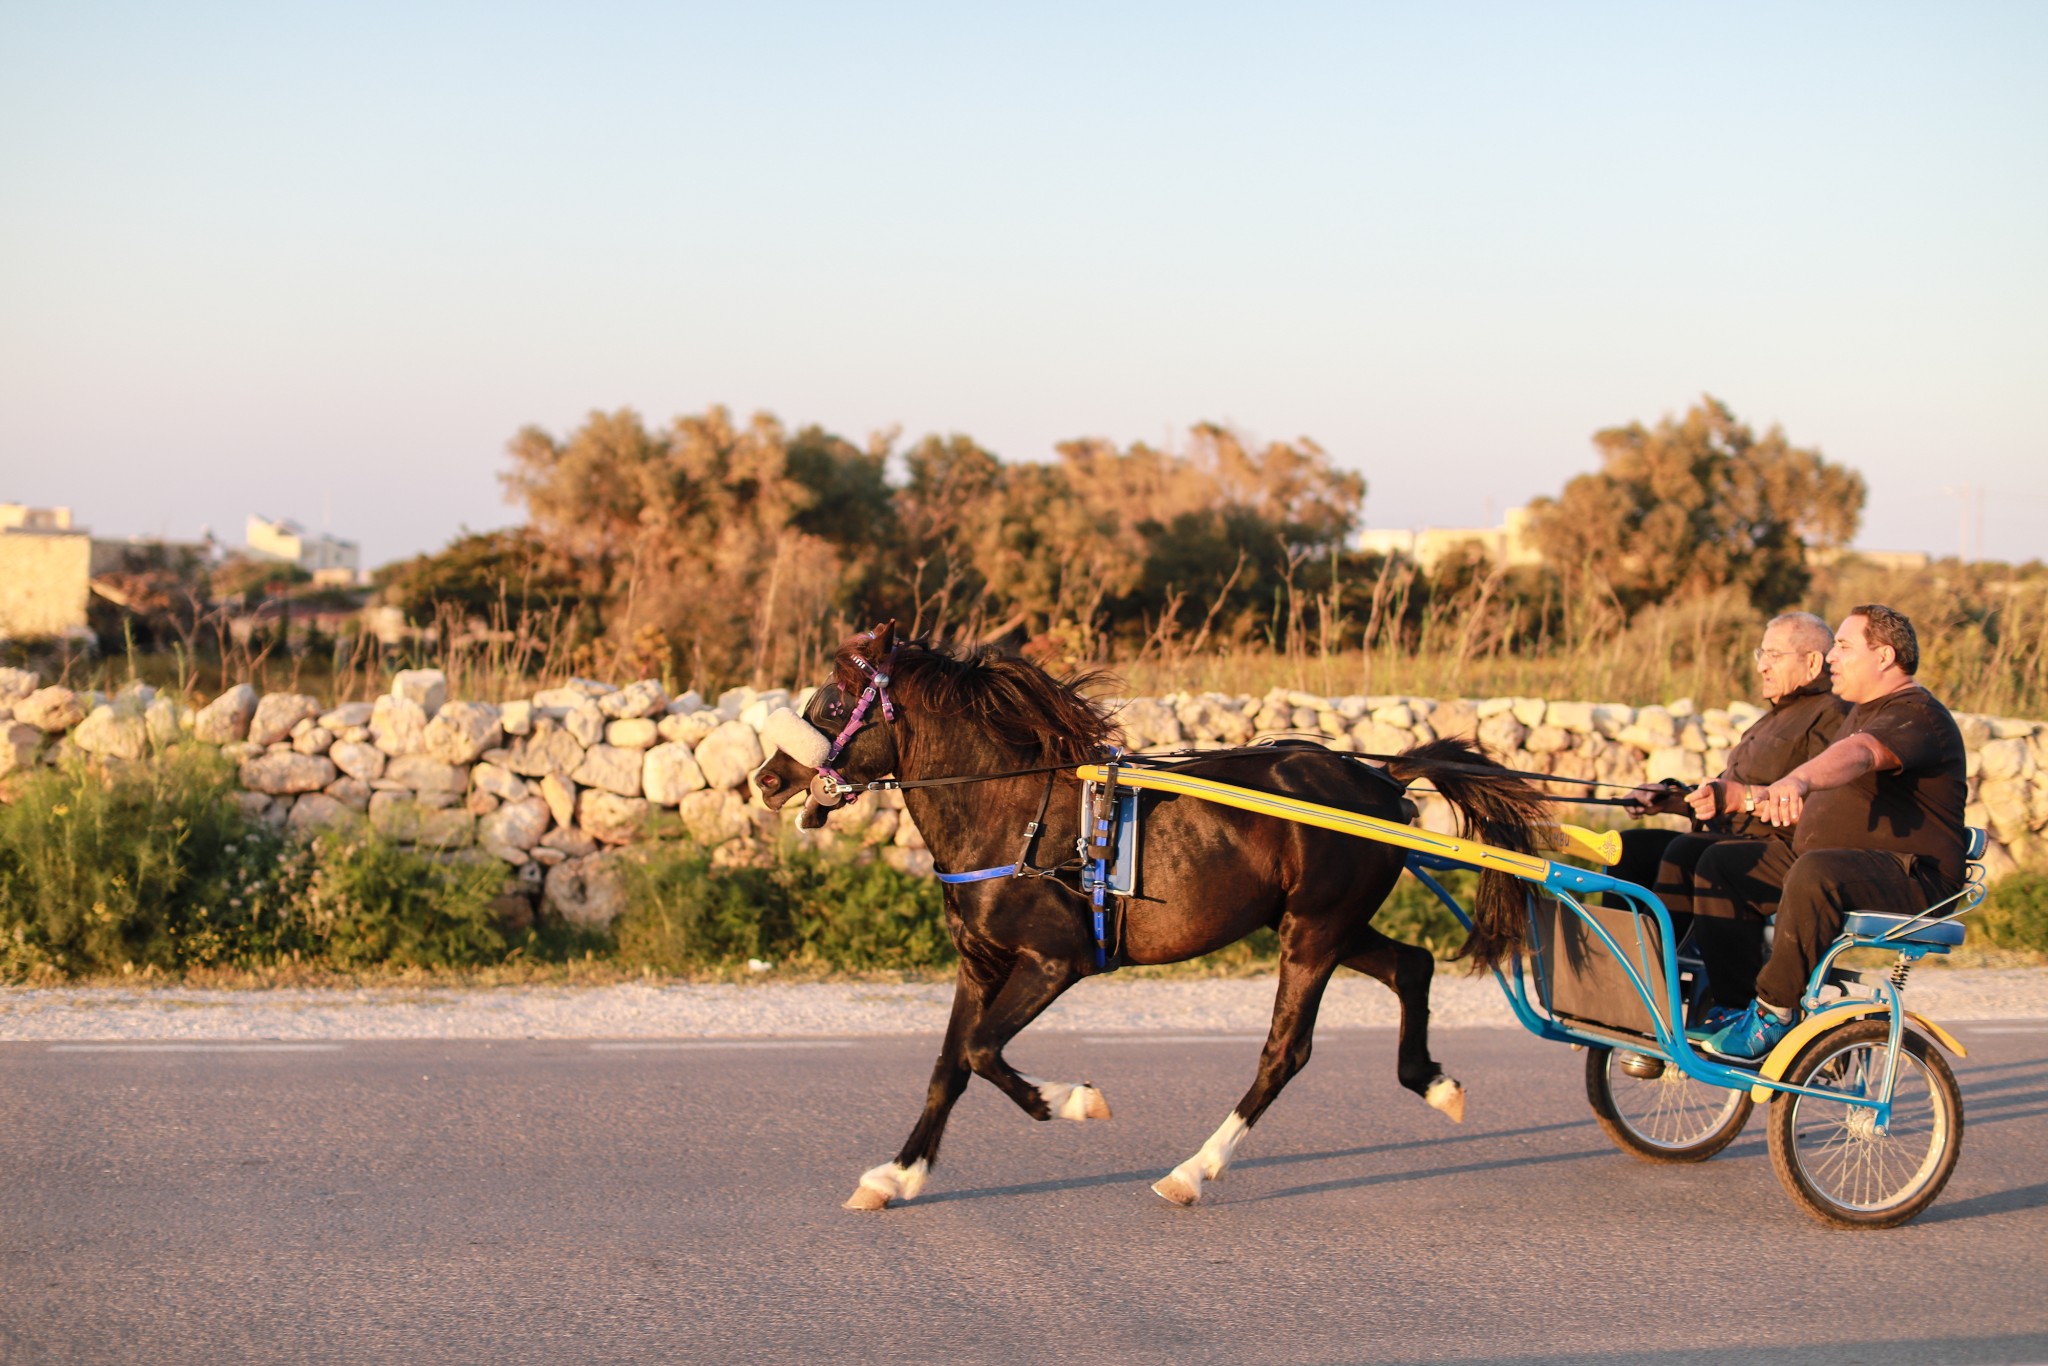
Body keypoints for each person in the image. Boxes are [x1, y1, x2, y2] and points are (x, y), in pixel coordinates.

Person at [1691, 604, 1969, 1059]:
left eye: (1843, 646)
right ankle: (1733, 1006)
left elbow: (1861, 754)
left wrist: (1798, 779)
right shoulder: (1858, 712)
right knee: (1721, 864)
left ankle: (1773, 1013)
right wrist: (1747, 797)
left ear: (1883, 656)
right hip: (1845, 862)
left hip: (1917, 878)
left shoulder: (1917, 715)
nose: (1832, 657)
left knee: (1817, 871)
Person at [1607, 612, 1849, 1008]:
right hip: (1728, 838)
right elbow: (1722, 795)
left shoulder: (1831, 715)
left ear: (1812, 663)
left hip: (1779, 850)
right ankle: (1621, 972)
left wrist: (1742, 798)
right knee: (1625, 848)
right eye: (1761, 652)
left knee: (1689, 852)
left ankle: (1672, 991)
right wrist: (1669, 798)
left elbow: (1820, 799)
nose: (1761, 665)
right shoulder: (1774, 717)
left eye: (1773, 653)